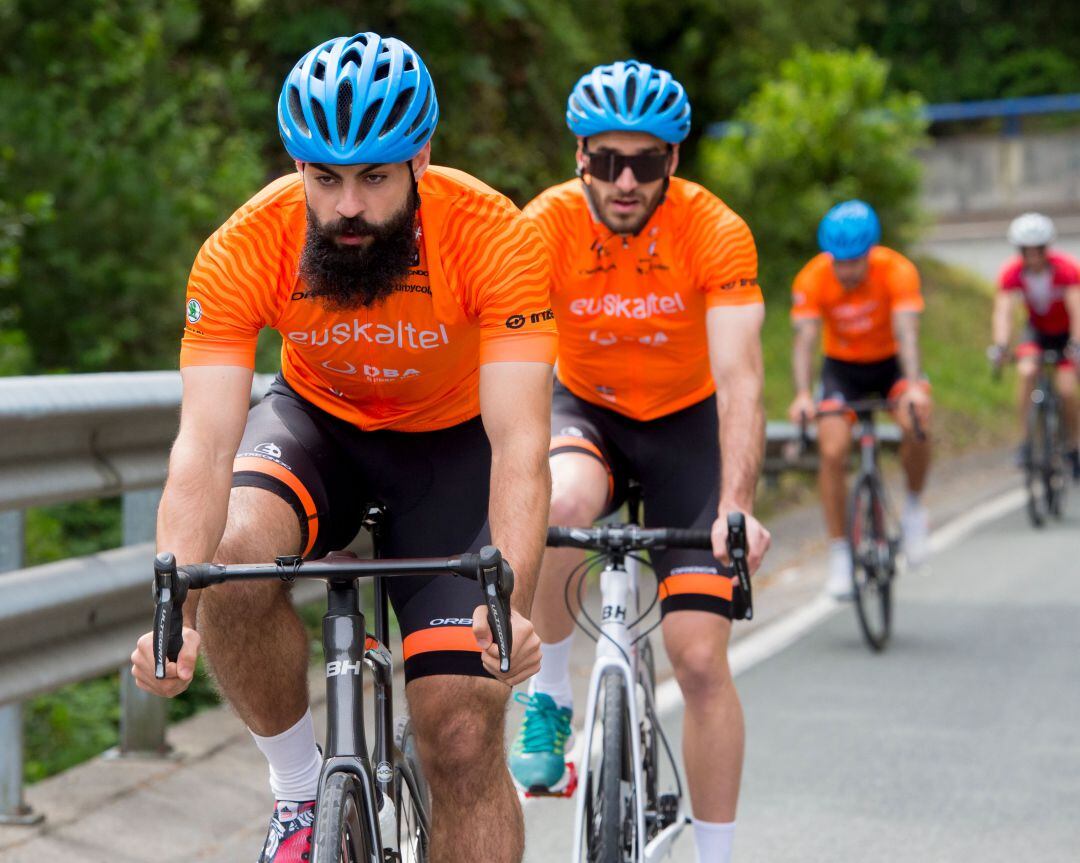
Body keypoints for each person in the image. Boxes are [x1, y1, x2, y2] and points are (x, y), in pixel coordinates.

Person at [128, 32, 555, 863]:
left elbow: (520, 444)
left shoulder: (493, 236)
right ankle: (295, 791)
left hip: (452, 451)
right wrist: (174, 608)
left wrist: (513, 605)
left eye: (374, 177)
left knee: (463, 730)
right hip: (316, 427)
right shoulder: (248, 244)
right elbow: (204, 450)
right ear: (297, 166)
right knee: (230, 559)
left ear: (420, 160)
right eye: (325, 178)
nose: (348, 206)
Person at [510, 60, 771, 863]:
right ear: (578, 155)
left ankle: (717, 854)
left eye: (648, 162)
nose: (627, 180)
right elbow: (506, 365)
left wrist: (735, 503)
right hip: (587, 411)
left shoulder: (714, 230)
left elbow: (740, 380)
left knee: (697, 661)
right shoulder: (543, 225)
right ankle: (552, 689)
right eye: (607, 160)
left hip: (687, 428)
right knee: (559, 504)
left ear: (674, 163)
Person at [788, 200, 932, 597]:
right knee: (831, 450)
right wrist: (802, 394)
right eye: (839, 262)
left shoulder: (897, 270)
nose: (847, 270)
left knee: (916, 421)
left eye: (855, 261)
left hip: (891, 364)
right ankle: (839, 552)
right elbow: (804, 341)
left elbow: (907, 332)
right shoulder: (812, 278)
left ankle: (915, 509)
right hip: (843, 369)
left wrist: (915, 385)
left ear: (870, 253)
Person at [989, 212, 1080, 478]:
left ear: (1046, 249)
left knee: (1066, 390)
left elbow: (1077, 310)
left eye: (1037, 250)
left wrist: (1075, 343)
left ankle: (1074, 445)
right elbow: (1003, 311)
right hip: (1037, 332)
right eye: (1026, 251)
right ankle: (1026, 440)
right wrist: (1001, 345)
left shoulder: (1066, 269)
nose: (1032, 257)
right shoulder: (1012, 272)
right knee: (1026, 372)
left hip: (1065, 333)